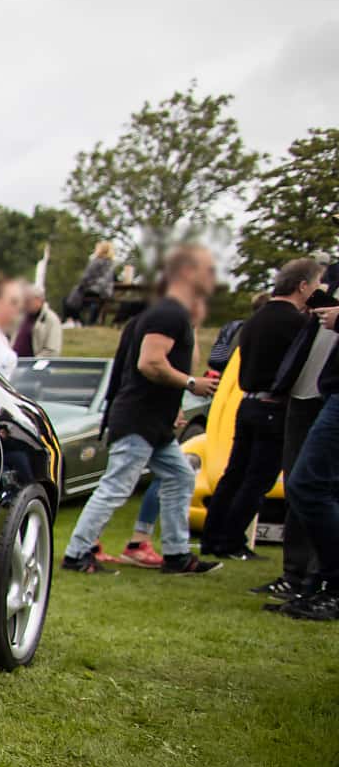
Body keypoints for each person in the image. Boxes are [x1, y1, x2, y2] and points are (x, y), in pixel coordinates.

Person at [63, 244, 224, 575]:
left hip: (154, 422)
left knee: (180, 476)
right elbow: (150, 363)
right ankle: (77, 553)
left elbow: (176, 359)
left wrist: (192, 326)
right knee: (116, 486)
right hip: (139, 419)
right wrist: (191, 384)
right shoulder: (166, 313)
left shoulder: (172, 314)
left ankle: (178, 555)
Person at [198, 258, 322, 560]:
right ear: (303, 286)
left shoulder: (254, 319)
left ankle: (212, 537)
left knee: (234, 473)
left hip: (247, 402)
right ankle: (231, 540)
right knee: (258, 479)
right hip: (273, 407)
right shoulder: (298, 323)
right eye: (316, 285)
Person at [277, 302, 339, 618]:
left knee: (307, 486)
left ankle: (332, 583)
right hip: (323, 392)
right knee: (319, 488)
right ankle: (318, 582)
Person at [64, 241, 116, 325]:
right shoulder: (106, 262)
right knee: (73, 296)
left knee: (72, 297)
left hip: (97, 290)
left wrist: (86, 285)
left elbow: (90, 278)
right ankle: (76, 320)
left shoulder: (101, 261)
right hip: (100, 290)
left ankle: (74, 320)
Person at [12, 282, 62, 358]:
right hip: (15, 365)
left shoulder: (51, 319)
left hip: (33, 367)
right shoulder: (22, 316)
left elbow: (52, 351)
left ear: (39, 300)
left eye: (29, 300)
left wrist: (32, 364)